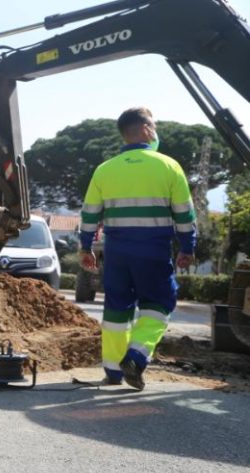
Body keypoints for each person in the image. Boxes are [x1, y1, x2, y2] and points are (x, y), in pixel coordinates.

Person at [79, 107, 196, 390]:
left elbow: (90, 214)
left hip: (117, 253)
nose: (156, 131)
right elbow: (184, 214)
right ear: (145, 130)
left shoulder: (105, 170)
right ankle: (136, 357)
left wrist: (85, 247)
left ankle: (113, 371)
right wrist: (187, 247)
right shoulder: (169, 166)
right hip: (153, 252)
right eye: (153, 126)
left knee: (116, 309)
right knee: (159, 304)